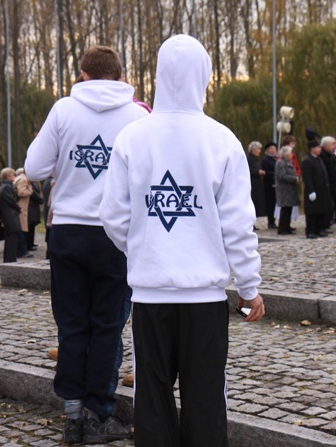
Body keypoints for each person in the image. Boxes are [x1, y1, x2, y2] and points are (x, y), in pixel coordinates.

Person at [99, 34, 265, 447]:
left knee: (151, 399)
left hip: (150, 296)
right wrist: (249, 286)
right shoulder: (222, 140)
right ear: (204, 76)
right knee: (206, 398)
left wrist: (144, 248)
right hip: (204, 298)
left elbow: (112, 216)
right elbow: (238, 224)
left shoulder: (132, 138)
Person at [24, 45, 148, 444]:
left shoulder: (63, 109)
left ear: (82, 74)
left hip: (69, 231)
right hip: (115, 234)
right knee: (107, 326)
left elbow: (35, 168)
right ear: (119, 74)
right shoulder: (137, 116)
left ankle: (73, 416)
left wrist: (70, 168)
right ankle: (99, 415)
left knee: (72, 324)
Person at [301, 136, 331, 239]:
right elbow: (307, 178)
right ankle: (310, 231)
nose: (320, 149)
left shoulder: (319, 160)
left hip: (322, 190)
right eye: (318, 147)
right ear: (312, 149)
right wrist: (311, 191)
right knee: (312, 212)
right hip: (313, 190)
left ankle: (319, 229)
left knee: (320, 210)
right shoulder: (307, 161)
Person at [0, 168, 22, 263]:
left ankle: (11, 258)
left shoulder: (6, 186)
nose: (15, 177)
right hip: (10, 215)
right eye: (13, 175)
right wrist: (18, 208)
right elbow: (11, 200)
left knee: (12, 236)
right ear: (9, 176)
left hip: (9, 215)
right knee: (12, 237)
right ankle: (10, 258)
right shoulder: (6, 187)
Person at [275, 145, 300, 235]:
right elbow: (281, 176)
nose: (291, 155)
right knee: (285, 210)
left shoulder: (288, 162)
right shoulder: (280, 163)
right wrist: (294, 179)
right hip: (284, 190)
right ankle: (282, 228)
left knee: (289, 209)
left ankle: (287, 227)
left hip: (290, 190)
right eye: (290, 153)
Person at [320, 136, 336, 226]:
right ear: (325, 146)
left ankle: (327, 222)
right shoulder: (323, 156)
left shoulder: (330, 156)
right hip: (325, 185)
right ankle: (325, 223)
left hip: (331, 184)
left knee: (331, 205)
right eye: (332, 145)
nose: (334, 147)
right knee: (327, 205)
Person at [246, 141, 267, 227]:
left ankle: (253, 222)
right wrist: (257, 172)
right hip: (252, 184)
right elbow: (248, 170)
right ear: (253, 150)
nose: (259, 151)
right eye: (258, 149)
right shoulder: (248, 158)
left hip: (257, 184)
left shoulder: (257, 159)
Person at [14, 168, 33, 258]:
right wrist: (30, 190)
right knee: (21, 229)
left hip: (19, 206)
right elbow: (21, 192)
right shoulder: (24, 180)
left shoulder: (19, 178)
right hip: (21, 206)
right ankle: (22, 251)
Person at [261, 141, 278, 229]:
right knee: (270, 203)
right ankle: (270, 221)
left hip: (277, 184)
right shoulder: (265, 160)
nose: (273, 150)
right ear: (268, 150)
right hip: (269, 184)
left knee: (275, 203)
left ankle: (274, 220)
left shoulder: (276, 159)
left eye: (274, 149)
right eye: (272, 149)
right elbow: (265, 172)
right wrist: (275, 173)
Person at [27, 180, 43, 251]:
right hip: (31, 206)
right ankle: (29, 244)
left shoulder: (34, 183)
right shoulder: (29, 183)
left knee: (32, 226)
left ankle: (31, 242)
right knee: (30, 226)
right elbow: (33, 194)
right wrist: (41, 200)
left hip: (34, 205)